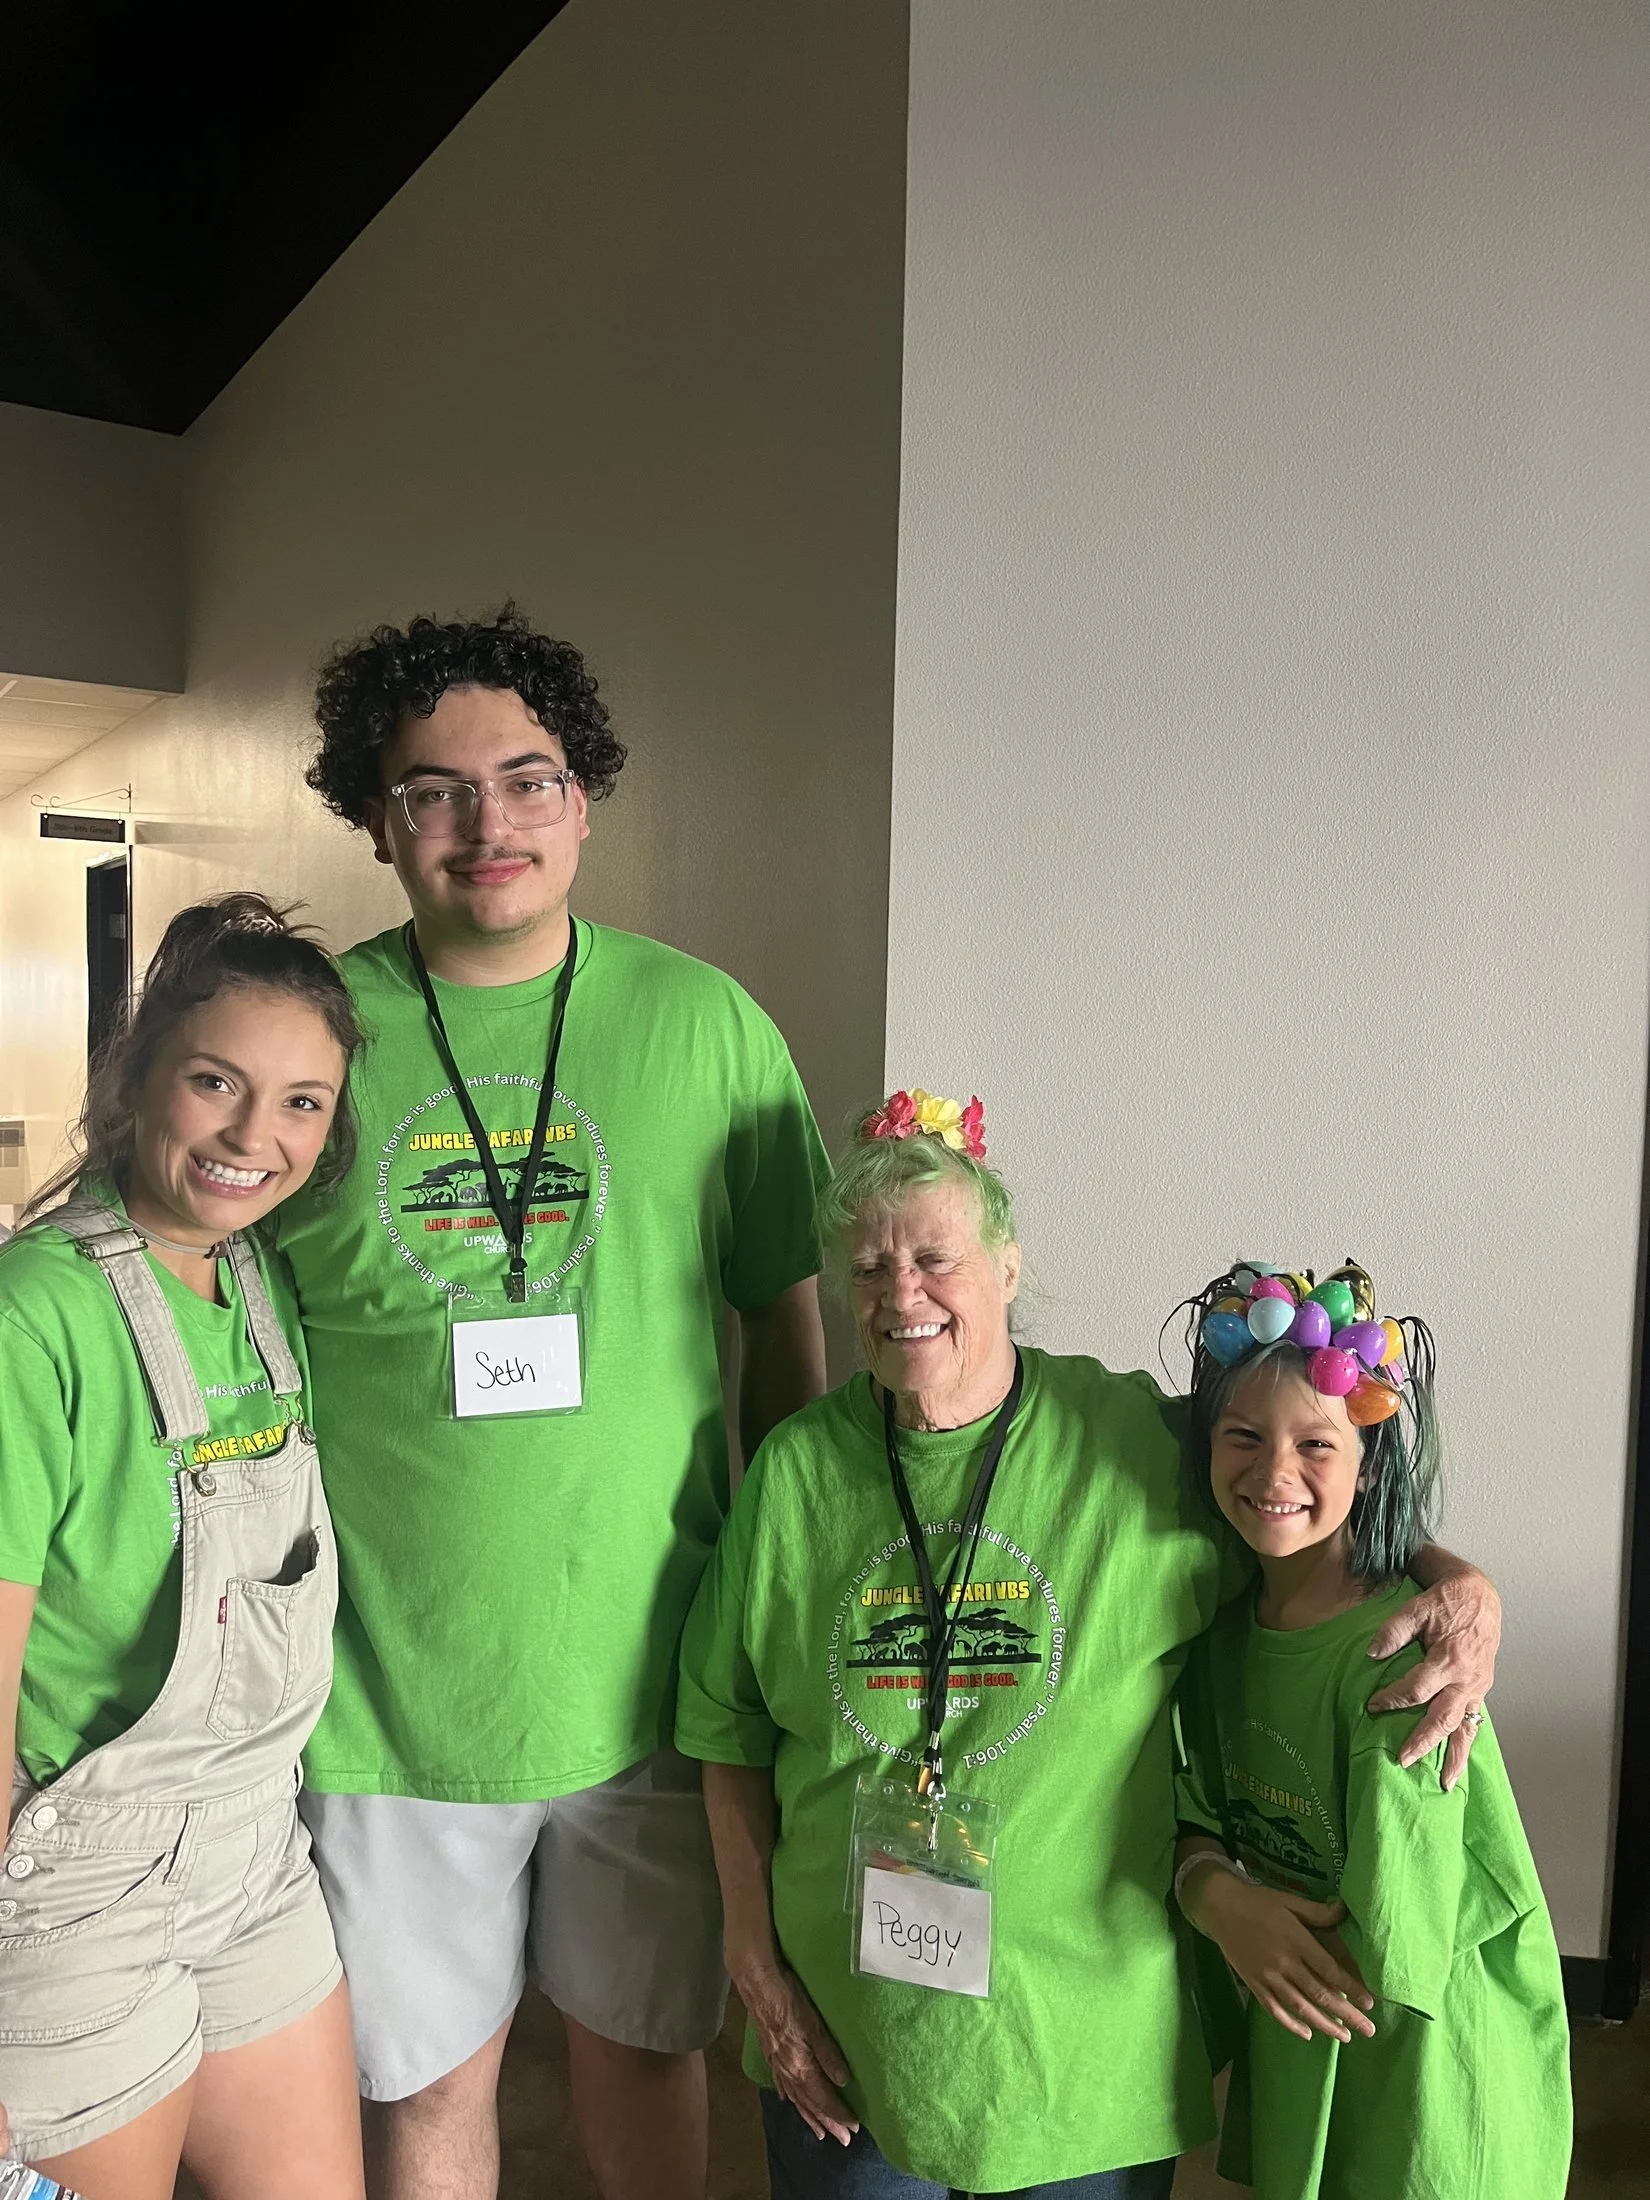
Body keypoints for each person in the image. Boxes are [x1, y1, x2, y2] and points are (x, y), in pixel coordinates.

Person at [674, 1093, 1501, 2198]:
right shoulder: (794, 1475)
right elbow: (725, 1724)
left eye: (934, 1259)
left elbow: (1295, 1499)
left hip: (1078, 2054)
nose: (900, 1294)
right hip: (846, 2037)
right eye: (868, 1268)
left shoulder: (1130, 1443)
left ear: (1008, 1266)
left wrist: (1457, 1579)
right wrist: (751, 1957)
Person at [281, 607, 829, 2200]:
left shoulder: (705, 1025)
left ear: (583, 800)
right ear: (375, 820)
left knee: (644, 2055)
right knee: (429, 2084)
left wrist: (782, 1601)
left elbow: (779, 1324)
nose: (488, 824)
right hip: (387, 1693)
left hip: (655, 1678)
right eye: (433, 791)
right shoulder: (312, 1039)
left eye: (526, 780)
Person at [0, 895, 368, 2200]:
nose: (254, 1137)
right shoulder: (33, 1314)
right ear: (138, 1071)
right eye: (217, 1082)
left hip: (257, 1853)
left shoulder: (258, 1280)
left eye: (301, 1103)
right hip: (78, 1893)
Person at [1169, 1263, 1572, 2199]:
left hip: (1429, 2065)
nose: (1274, 1473)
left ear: (1371, 1464)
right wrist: (1215, 1894)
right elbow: (1196, 1815)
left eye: (1317, 1444)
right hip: (1310, 2017)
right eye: (1243, 1436)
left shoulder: (1403, 1662)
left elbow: (1396, 1940)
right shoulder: (1219, 1636)